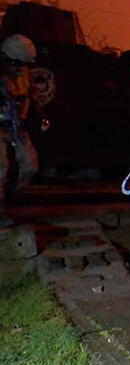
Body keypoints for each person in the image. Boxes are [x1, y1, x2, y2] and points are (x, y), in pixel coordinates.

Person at [0, 34, 39, 227]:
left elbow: (28, 97)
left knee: (29, 165)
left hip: (15, 127)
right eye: (16, 63)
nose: (20, 68)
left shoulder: (22, 76)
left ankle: (5, 197)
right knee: (0, 168)